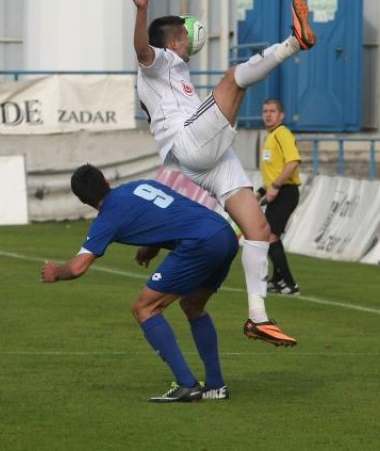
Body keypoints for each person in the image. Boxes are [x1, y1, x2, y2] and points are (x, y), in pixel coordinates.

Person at [131, 0, 316, 347]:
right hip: (190, 142)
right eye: (185, 34)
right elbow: (141, 49)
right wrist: (141, 10)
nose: (190, 38)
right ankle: (296, 41)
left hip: (202, 157)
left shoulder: (176, 70)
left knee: (258, 230)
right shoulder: (158, 60)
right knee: (234, 77)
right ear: (171, 43)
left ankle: (257, 318)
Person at [41, 164, 237, 403]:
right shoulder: (140, 185)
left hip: (200, 243)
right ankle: (215, 386)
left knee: (145, 309)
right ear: (105, 180)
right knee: (193, 306)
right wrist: (151, 247)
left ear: (82, 200)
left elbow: (77, 267)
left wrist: (55, 272)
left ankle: (187, 385)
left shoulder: (107, 218)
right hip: (223, 232)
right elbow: (169, 212)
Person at [258, 98, 302, 295]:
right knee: (268, 235)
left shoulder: (282, 133)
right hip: (278, 191)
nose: (268, 114)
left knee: (269, 235)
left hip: (286, 192)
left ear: (281, 115)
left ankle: (291, 284)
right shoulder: (271, 136)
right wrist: (260, 191)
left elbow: (292, 162)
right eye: (265, 111)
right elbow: (273, 170)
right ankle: (277, 281)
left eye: (272, 111)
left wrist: (275, 186)